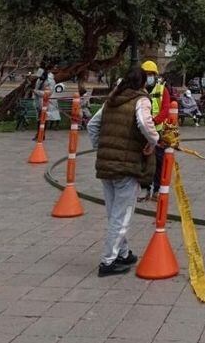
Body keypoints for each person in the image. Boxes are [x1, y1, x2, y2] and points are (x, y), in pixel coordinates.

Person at [86, 64, 159, 276]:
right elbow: (145, 124)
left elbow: (92, 125)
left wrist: (103, 148)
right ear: (143, 83)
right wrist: (154, 141)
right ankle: (108, 262)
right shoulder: (141, 100)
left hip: (106, 165)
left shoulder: (112, 99)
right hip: (126, 167)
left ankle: (123, 253)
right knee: (122, 215)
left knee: (114, 213)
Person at [140, 61, 169, 202]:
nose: (148, 77)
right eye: (146, 74)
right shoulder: (139, 90)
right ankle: (145, 189)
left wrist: (154, 121)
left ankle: (156, 190)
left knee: (158, 163)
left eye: (150, 74)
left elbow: (165, 110)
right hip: (143, 133)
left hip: (158, 134)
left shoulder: (162, 89)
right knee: (143, 162)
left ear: (155, 75)